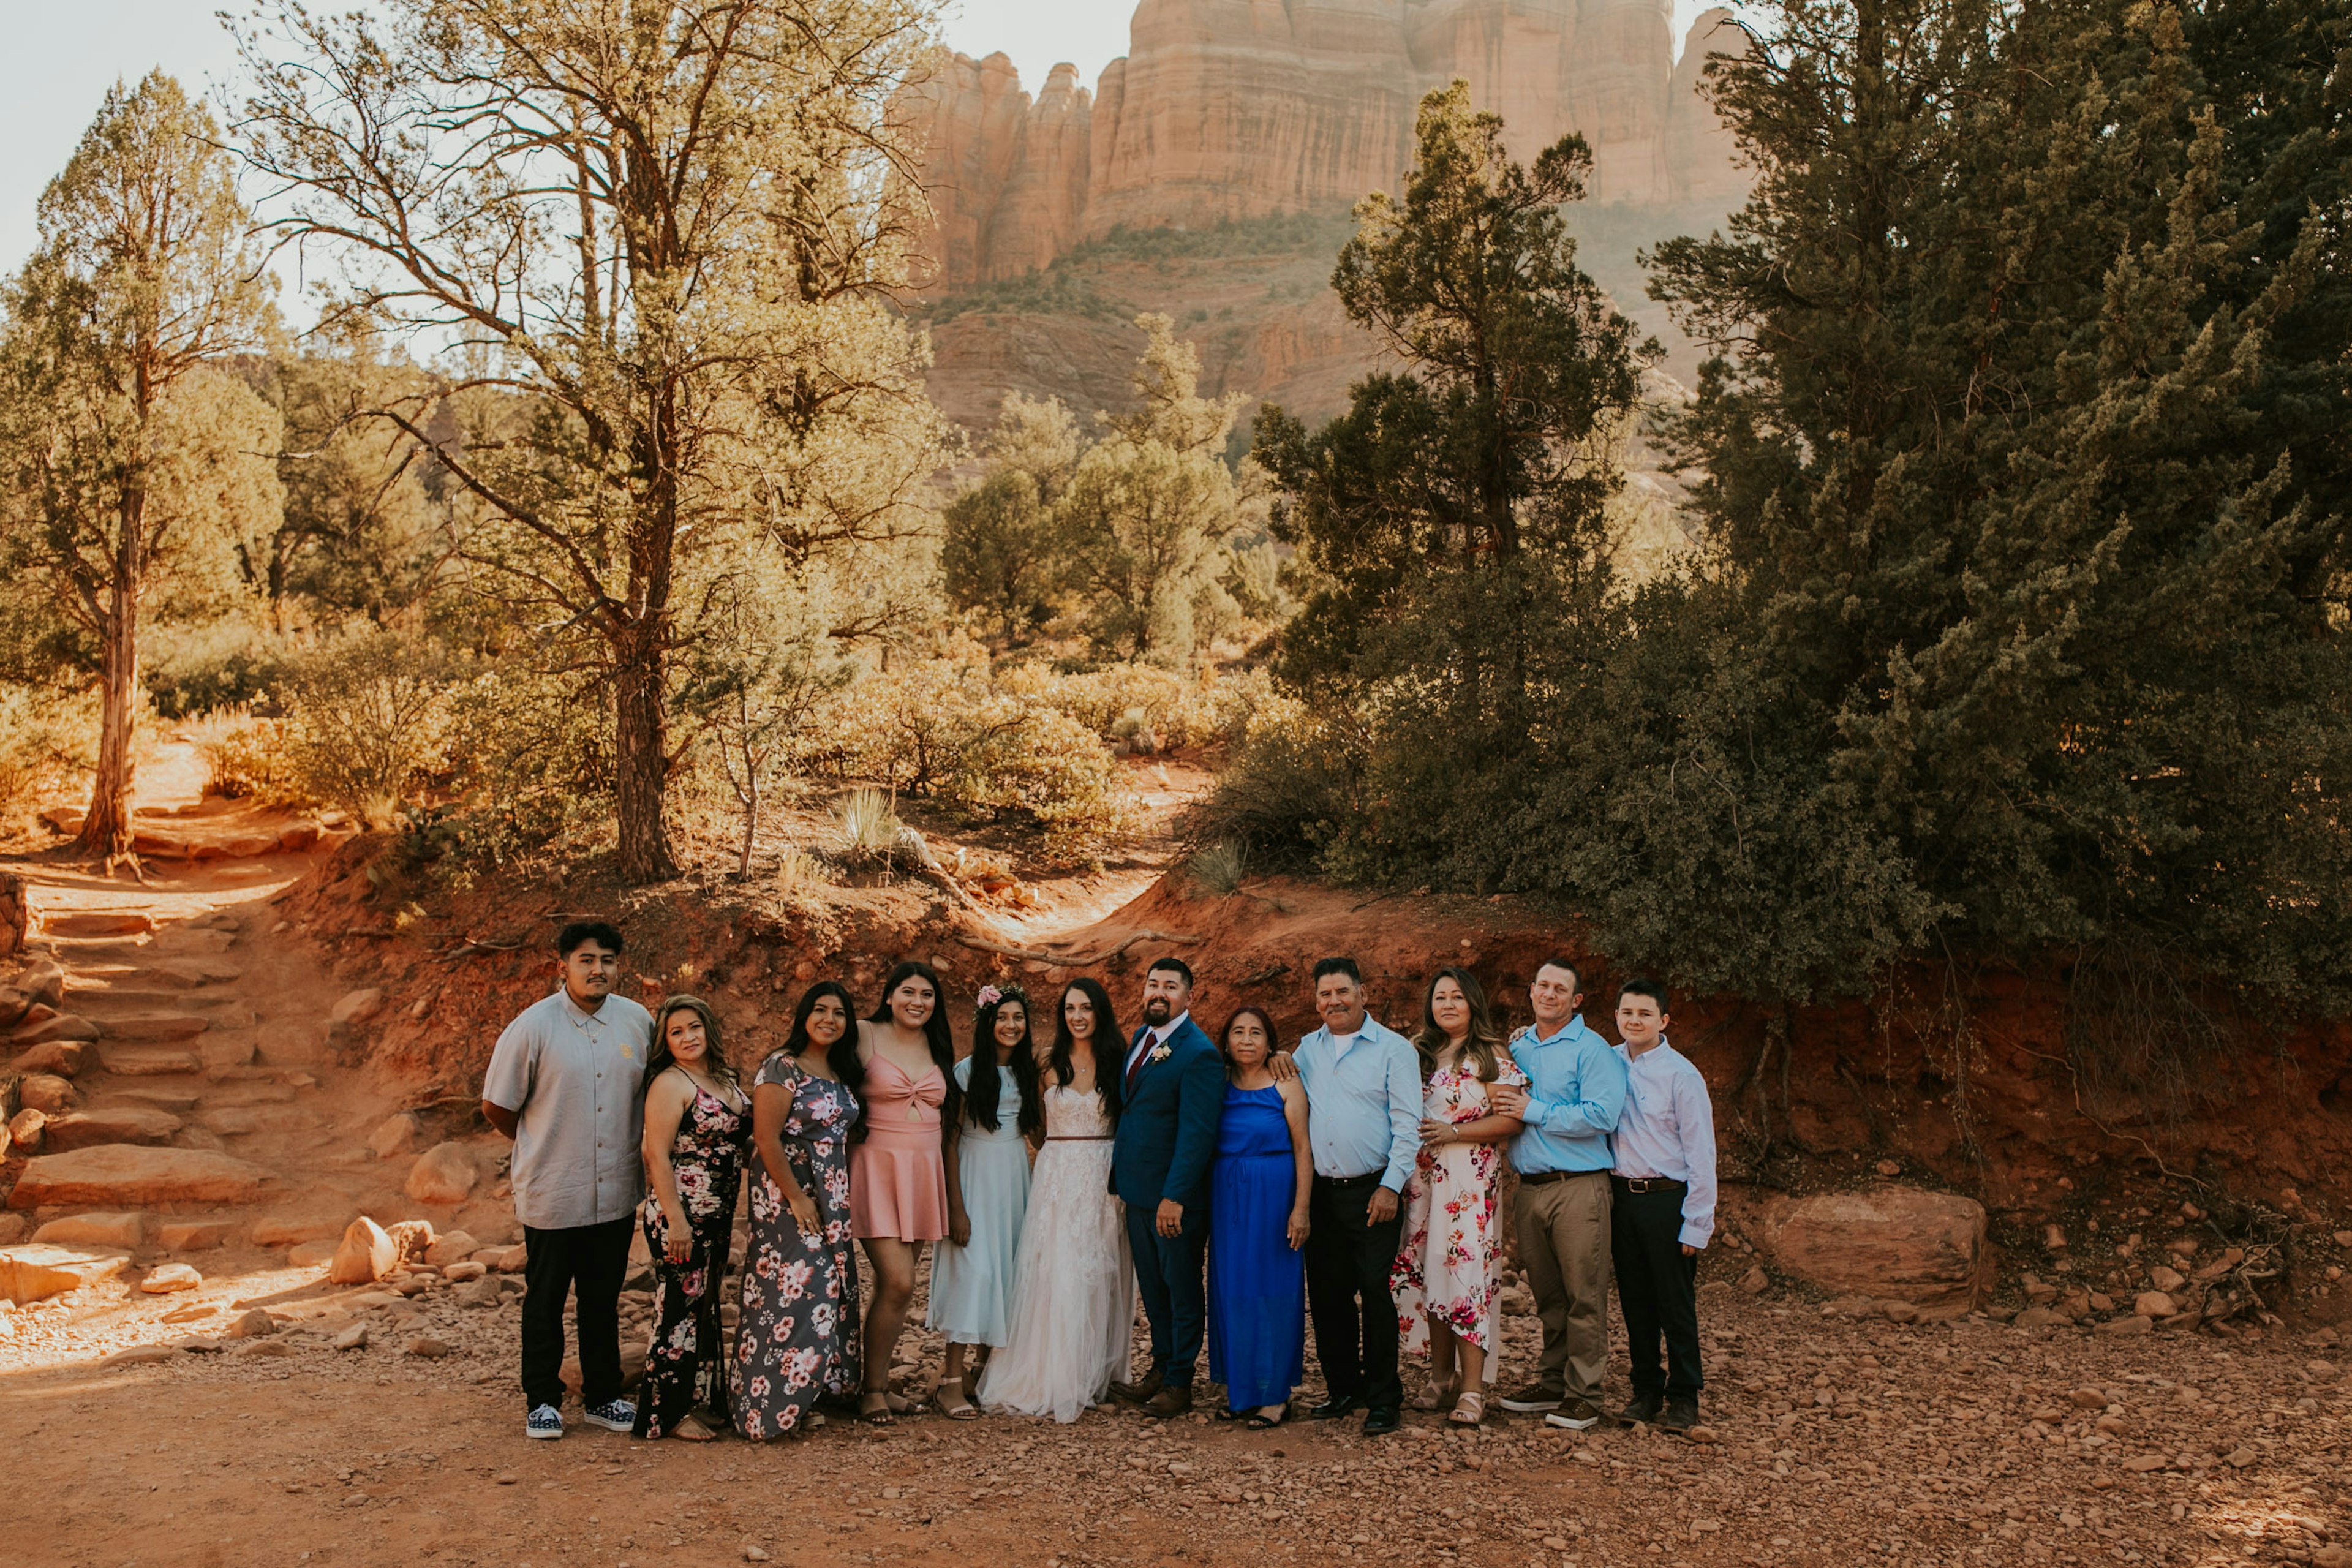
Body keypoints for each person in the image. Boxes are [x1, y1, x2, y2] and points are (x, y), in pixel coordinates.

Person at [480, 920, 654, 1441]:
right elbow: (498, 1106)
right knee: (547, 1298)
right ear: (563, 967)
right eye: (586, 960)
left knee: (602, 1299)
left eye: (607, 960)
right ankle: (542, 1401)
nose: (598, 969)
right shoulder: (533, 1028)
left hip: (615, 1188)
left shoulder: (638, 1022)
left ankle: (603, 1396)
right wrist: (542, 1142)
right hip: (554, 1187)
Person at [979, 977, 1133, 1423]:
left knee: (1097, 1270)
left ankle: (1091, 1372)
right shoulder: (1046, 1061)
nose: (1077, 1017)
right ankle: (1051, 1374)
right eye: (1069, 1008)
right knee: (1055, 1270)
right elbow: (1029, 1117)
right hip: (1058, 1173)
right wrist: (1049, 1154)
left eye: (1086, 1008)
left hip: (1103, 1174)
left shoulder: (1119, 1061)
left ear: (1100, 1012)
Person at [1488, 959, 1627, 1428]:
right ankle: (1552, 1381)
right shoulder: (1519, 1047)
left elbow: (1603, 1115)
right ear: (1531, 991)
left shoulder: (1593, 1050)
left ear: (1576, 1000)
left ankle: (1585, 1394)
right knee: (1547, 1295)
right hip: (1530, 1189)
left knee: (1583, 1295)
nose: (1549, 994)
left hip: (1578, 1188)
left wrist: (1535, 1110)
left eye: (1560, 989)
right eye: (1543, 986)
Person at [1289, 956, 1421, 1437]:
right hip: (1322, 1194)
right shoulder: (1306, 1050)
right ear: (1316, 1001)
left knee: (1376, 1293)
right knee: (1328, 1295)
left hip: (1374, 1190)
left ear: (1363, 993)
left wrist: (1390, 1186)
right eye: (1325, 994)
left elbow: (1408, 1126)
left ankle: (1384, 1399)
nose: (1334, 1001)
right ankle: (1344, 1388)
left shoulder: (1394, 1050)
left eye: (1342, 991)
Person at [1392, 968, 1526, 1427]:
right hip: (1423, 1181)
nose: (1447, 1004)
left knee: (1465, 1276)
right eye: (1440, 997)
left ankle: (1472, 1388)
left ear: (1473, 1003)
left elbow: (1511, 1121)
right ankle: (1440, 1376)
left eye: (1456, 997)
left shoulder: (1490, 1054)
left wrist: (1455, 1131)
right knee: (1431, 1274)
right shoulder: (1418, 1053)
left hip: (1468, 1181)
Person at [736, 981, 863, 1440]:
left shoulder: (841, 1070)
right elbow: (766, 1137)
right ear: (804, 1015)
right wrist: (795, 1196)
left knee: (834, 1284)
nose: (829, 1019)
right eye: (820, 1010)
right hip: (788, 1189)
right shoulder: (781, 1066)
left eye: (839, 1013)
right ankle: (771, 1403)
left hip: (832, 1190)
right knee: (799, 1286)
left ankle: (815, 1392)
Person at [1107, 956, 1225, 1417]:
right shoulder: (1142, 1037)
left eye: (1170, 986)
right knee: (1154, 1289)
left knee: (1180, 1287)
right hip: (1137, 1192)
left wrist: (1174, 1196)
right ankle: (1160, 1367)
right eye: (1153, 984)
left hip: (1173, 1200)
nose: (1159, 993)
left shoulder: (1199, 1053)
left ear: (1189, 997)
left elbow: (1198, 1134)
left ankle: (1179, 1381)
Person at [844, 959, 959, 1425]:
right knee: (899, 1282)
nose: (918, 1002)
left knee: (892, 1289)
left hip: (922, 1173)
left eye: (927, 994)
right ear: (889, 995)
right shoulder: (863, 1033)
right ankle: (870, 1390)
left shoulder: (938, 1044)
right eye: (908, 992)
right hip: (875, 1168)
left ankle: (875, 1383)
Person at [631, 995, 750, 1441]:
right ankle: (666, 1415)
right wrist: (678, 1223)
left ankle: (697, 1400)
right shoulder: (670, 1082)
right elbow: (656, 1156)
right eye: (676, 1032)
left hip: (717, 1214)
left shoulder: (722, 1077)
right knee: (677, 1312)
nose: (687, 1038)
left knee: (703, 1308)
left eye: (694, 1027)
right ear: (666, 1042)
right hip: (682, 1214)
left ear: (708, 1029)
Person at [1607, 979, 1717, 1434]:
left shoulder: (1681, 1075)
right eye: (1627, 1012)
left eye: (1645, 1013)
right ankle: (1646, 1391)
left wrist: (1697, 1223)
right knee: (1635, 1301)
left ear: (1664, 1020)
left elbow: (1701, 1153)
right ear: (1616, 1015)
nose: (1635, 1020)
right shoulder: (1606, 1063)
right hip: (1621, 1199)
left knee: (1675, 1303)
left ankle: (1685, 1396)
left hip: (1667, 1199)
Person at [928, 982, 1042, 1419]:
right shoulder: (966, 1071)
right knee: (973, 1272)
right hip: (975, 1174)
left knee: (1005, 1271)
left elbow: (1037, 1134)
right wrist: (955, 1207)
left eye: (1019, 1018)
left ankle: (983, 1371)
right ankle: (949, 1382)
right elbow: (949, 1140)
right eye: (1002, 1017)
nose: (1011, 1025)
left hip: (1013, 1174)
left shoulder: (1029, 1071)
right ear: (987, 1023)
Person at [1205, 1005, 1310, 1427]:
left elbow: (1303, 1148)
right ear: (1226, 1041)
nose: (1246, 1040)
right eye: (1238, 1032)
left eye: (1255, 1032)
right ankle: (1242, 1391)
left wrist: (1301, 1208)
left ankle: (1275, 1395)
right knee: (1233, 1290)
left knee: (1275, 1292)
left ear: (1270, 1042)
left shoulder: (1286, 1082)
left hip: (1275, 1195)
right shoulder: (1217, 1082)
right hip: (1227, 1198)